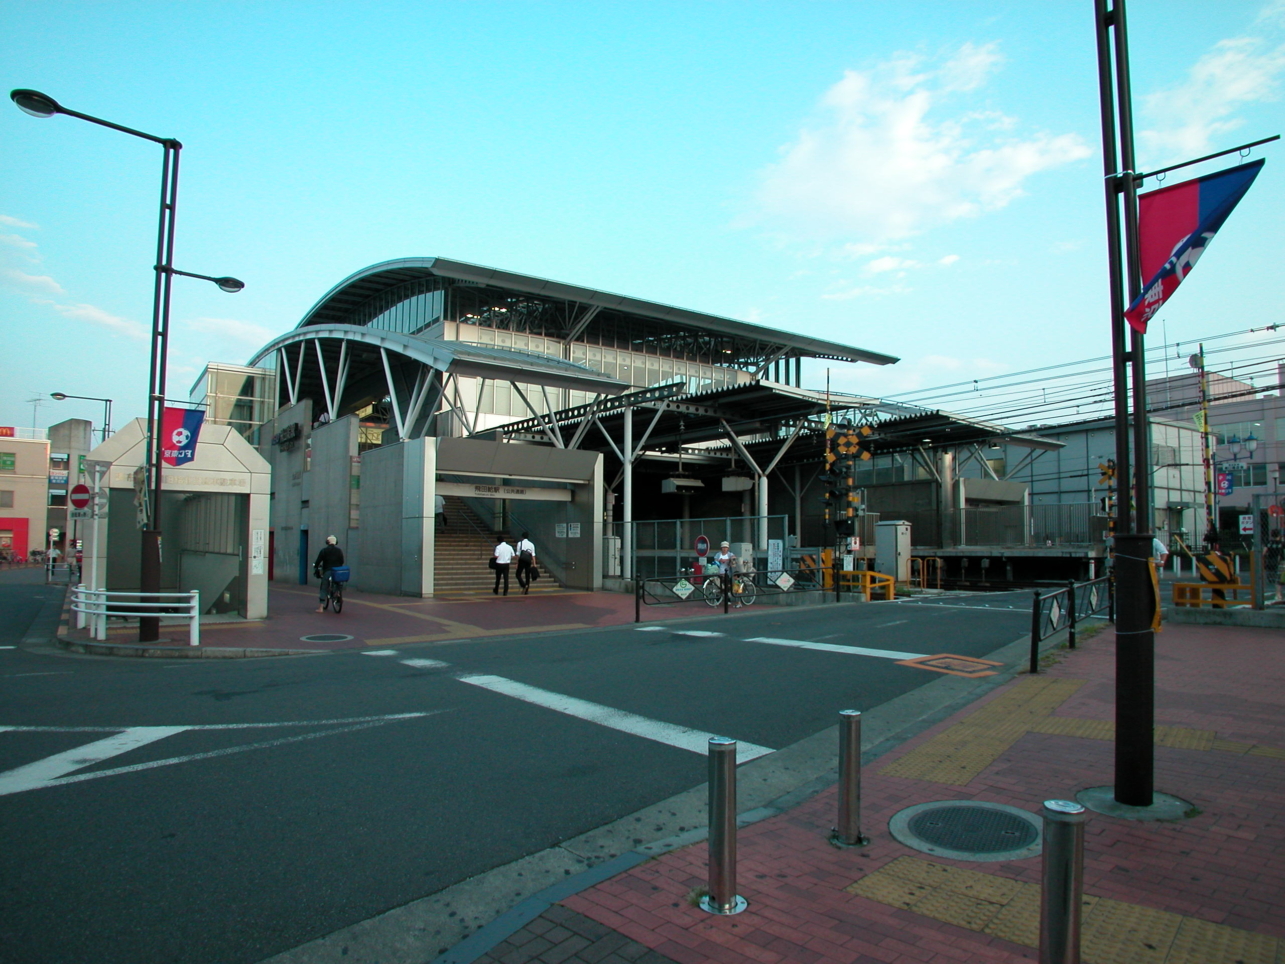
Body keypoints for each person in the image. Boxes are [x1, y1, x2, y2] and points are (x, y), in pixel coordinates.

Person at [314, 535, 345, 612]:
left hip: (328, 571)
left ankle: (321, 607)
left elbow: (318, 561)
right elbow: (342, 561)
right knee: (338, 583)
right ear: (335, 542)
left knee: (324, 587)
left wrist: (316, 567)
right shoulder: (339, 551)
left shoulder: (324, 551)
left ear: (327, 542)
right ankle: (338, 594)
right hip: (337, 571)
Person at [1265, 529, 1284, 604]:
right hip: (1281, 562)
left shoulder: (1269, 543)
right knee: (1281, 577)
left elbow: (1264, 552)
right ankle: (1279, 594)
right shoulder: (1282, 543)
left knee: (1277, 579)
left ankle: (1278, 594)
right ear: (1279, 535)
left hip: (1271, 562)